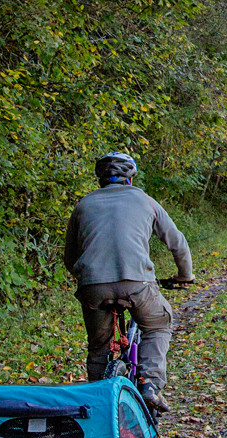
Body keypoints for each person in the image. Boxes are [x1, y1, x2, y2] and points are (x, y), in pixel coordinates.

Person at [63, 152, 194, 412]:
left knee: (99, 346)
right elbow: (177, 243)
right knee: (158, 324)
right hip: (137, 283)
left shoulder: (83, 206)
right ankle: (150, 384)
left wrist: (89, 279)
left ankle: (97, 404)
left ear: (100, 180)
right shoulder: (146, 202)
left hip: (93, 287)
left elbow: (70, 258)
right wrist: (185, 275)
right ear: (130, 179)